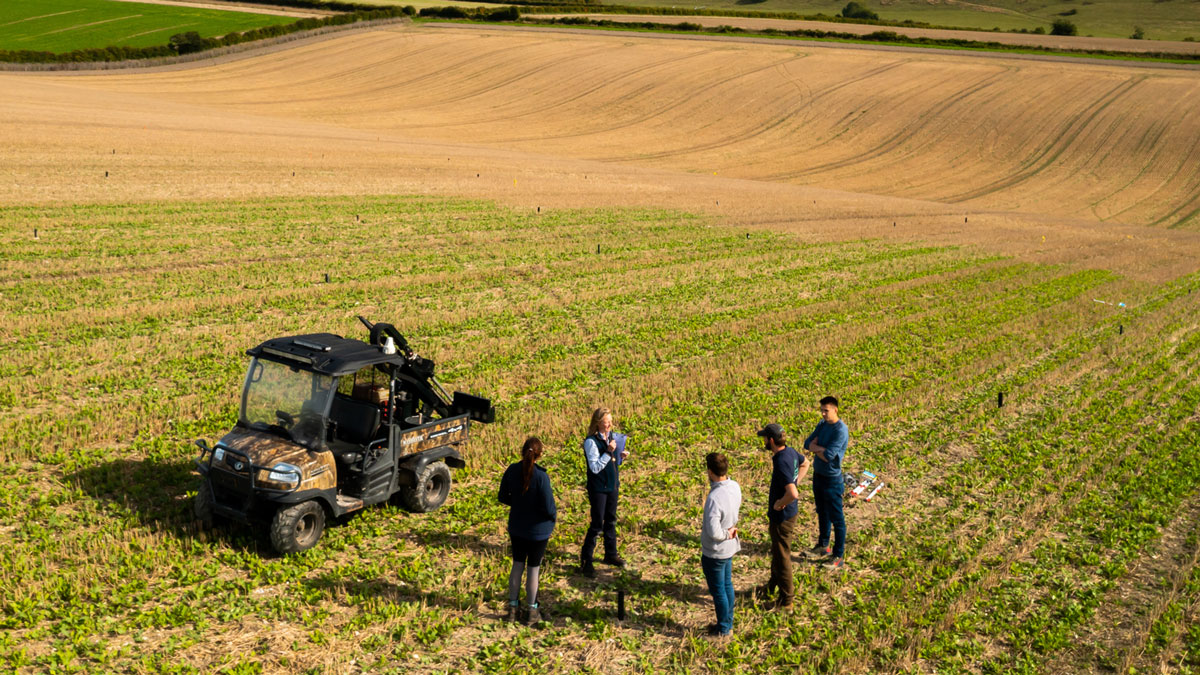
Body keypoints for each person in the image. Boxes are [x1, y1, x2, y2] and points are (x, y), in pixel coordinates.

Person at [498, 437, 557, 625]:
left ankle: (513, 609)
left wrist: (517, 504)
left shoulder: (512, 470)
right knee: (533, 569)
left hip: (517, 527)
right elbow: (548, 506)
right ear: (539, 455)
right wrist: (552, 518)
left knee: (517, 565)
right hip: (538, 531)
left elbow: (502, 496)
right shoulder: (541, 477)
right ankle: (532, 610)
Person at [758, 422, 807, 609]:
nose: (763, 440)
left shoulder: (781, 460)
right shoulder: (790, 452)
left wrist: (781, 502)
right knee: (777, 552)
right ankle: (772, 586)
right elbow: (806, 463)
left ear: (771, 440)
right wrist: (795, 482)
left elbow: (793, 494)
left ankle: (786, 600)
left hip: (783, 516)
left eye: (764, 438)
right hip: (787, 513)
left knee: (783, 556)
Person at [580, 407, 628, 577]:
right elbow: (595, 467)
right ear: (597, 422)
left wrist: (620, 457)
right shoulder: (591, 442)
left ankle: (611, 554)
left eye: (610, 421)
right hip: (598, 489)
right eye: (605, 422)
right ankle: (586, 559)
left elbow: (611, 464)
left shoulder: (613, 437)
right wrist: (608, 452)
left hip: (612, 486)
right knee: (597, 524)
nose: (609, 425)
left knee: (611, 521)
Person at [803, 396, 849, 569]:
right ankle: (823, 545)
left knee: (837, 519)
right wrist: (819, 449)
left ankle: (838, 556)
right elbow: (807, 443)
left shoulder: (841, 430)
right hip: (818, 475)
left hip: (832, 480)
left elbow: (830, 456)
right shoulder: (822, 425)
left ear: (835, 409)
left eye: (826, 410)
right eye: (821, 410)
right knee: (822, 512)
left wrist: (818, 448)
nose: (823, 413)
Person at [701, 452, 741, 637]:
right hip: (730, 548)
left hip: (715, 552)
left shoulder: (714, 497)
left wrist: (725, 534)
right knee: (727, 585)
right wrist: (730, 533)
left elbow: (714, 532)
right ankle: (728, 622)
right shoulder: (734, 486)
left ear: (710, 471)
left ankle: (724, 629)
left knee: (718, 591)